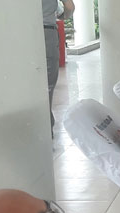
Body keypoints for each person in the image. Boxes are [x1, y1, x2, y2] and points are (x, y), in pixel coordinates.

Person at [42, 0, 74, 133]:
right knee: (47, 85)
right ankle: (44, 125)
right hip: (46, 31)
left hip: (18, 33)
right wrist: (63, 15)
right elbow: (69, 6)